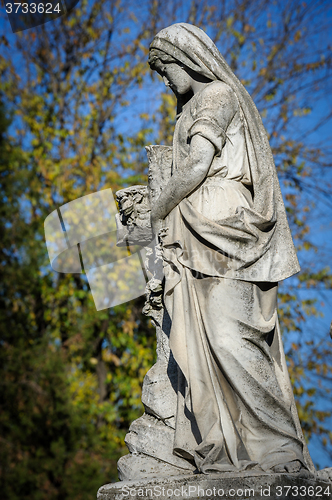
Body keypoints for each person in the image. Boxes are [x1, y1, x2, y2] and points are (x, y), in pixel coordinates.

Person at [148, 23, 315, 475]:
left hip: (224, 226)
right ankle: (221, 444)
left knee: (231, 338)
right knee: (199, 343)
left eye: (164, 68)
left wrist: (155, 209)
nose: (163, 80)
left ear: (186, 59)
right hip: (193, 230)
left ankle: (279, 447)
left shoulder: (217, 94)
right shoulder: (187, 111)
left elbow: (199, 165)